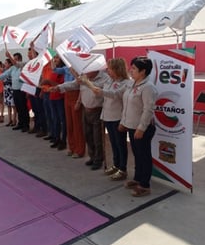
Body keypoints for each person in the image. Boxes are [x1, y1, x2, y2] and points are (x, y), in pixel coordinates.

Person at [97, 56, 157, 197]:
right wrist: (123, 122)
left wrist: (141, 128)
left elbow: (148, 110)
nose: (131, 70)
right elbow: (126, 106)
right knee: (137, 155)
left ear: (143, 71)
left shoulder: (148, 87)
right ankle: (137, 178)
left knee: (144, 156)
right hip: (130, 126)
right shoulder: (132, 84)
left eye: (134, 68)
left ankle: (145, 185)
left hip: (142, 128)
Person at [54, 69, 109, 170]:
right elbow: (73, 84)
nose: (87, 73)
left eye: (89, 70)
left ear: (96, 69)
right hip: (86, 110)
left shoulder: (105, 78)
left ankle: (98, 159)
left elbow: (98, 90)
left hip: (98, 110)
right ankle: (92, 157)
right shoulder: (85, 76)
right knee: (88, 135)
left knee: (97, 138)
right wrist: (59, 87)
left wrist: (86, 82)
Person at [91, 58, 131, 181]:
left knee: (120, 144)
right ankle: (116, 165)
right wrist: (88, 83)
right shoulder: (109, 80)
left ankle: (123, 169)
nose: (108, 71)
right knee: (113, 144)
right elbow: (100, 87)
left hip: (118, 118)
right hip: (107, 116)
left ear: (117, 69)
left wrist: (100, 91)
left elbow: (115, 94)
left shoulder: (126, 83)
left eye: (110, 69)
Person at [52, 58, 85, 158]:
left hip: (75, 94)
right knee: (69, 123)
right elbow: (54, 69)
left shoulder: (80, 68)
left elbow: (79, 85)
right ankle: (71, 147)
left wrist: (79, 101)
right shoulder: (66, 68)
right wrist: (51, 57)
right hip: (67, 93)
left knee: (77, 124)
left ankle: (79, 150)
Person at [0, 51, 29, 132]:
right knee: (18, 108)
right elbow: (5, 74)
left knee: (23, 108)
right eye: (12, 59)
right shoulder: (12, 68)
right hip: (14, 90)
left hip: (21, 90)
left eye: (14, 59)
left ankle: (26, 125)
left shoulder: (23, 66)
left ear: (19, 59)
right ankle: (20, 123)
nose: (12, 61)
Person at [2, 58, 17, 126]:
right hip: (6, 90)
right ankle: (10, 120)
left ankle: (14, 120)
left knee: (13, 106)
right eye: (5, 63)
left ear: (10, 64)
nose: (5, 64)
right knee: (8, 106)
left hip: (11, 89)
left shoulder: (12, 70)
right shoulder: (4, 71)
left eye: (6, 63)